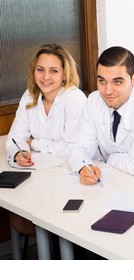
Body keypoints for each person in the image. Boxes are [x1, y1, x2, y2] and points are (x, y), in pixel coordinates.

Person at [5, 43, 87, 235]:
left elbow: (72, 148)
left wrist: (34, 143)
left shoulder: (74, 99)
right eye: (40, 70)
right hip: (41, 176)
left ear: (65, 74)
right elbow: (15, 137)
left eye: (54, 71)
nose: (46, 77)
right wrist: (19, 152)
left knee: (54, 218)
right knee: (19, 212)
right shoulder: (30, 95)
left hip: (71, 178)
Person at [67, 46, 134, 184]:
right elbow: (78, 147)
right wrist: (84, 166)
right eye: (102, 81)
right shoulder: (94, 101)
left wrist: (109, 158)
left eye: (117, 82)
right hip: (114, 180)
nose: (107, 90)